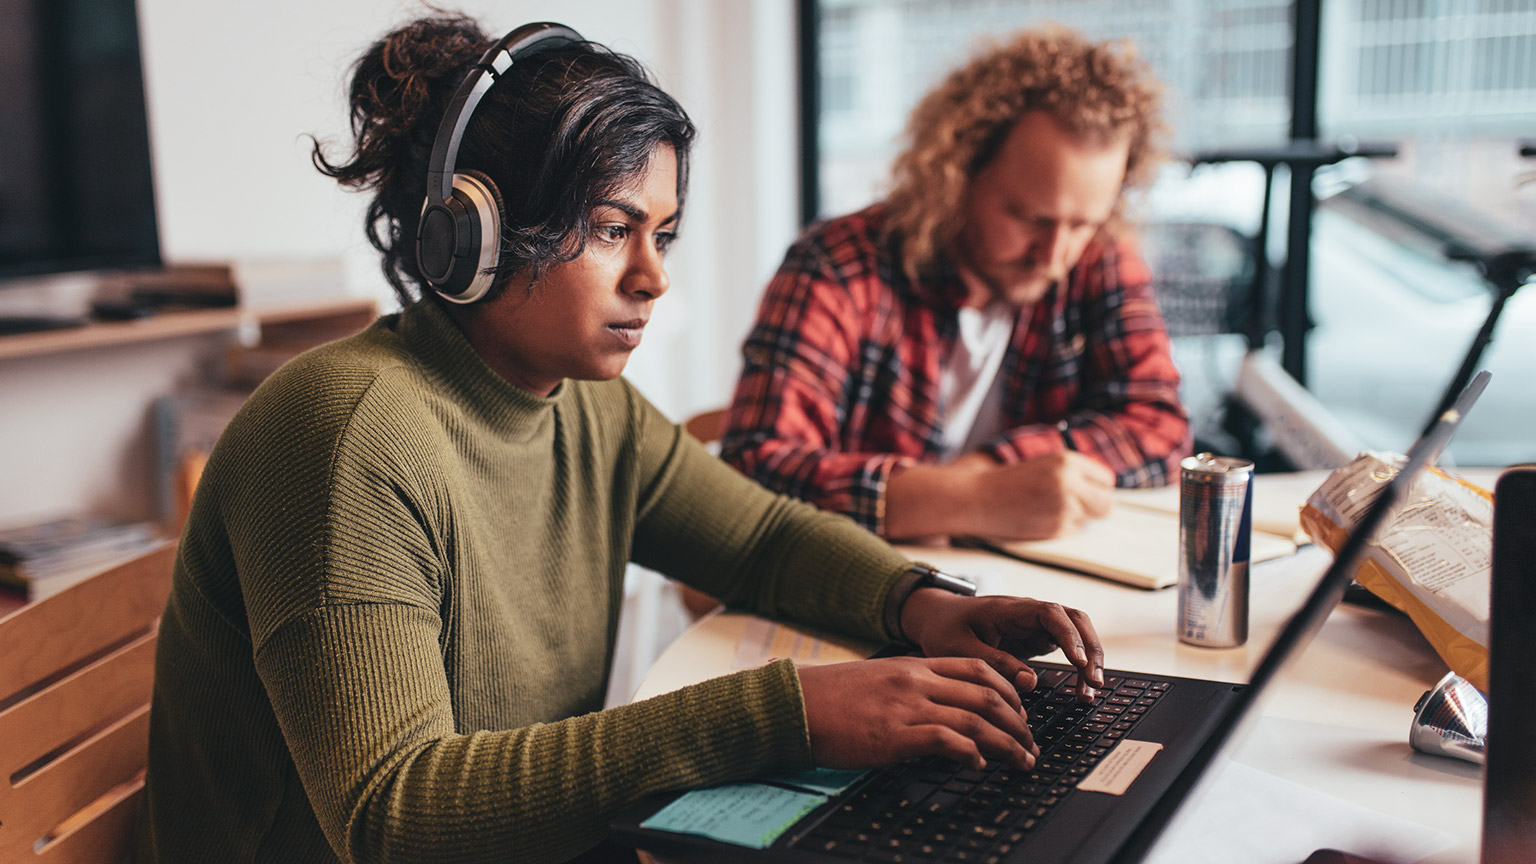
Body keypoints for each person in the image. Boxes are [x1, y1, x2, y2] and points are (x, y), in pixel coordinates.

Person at [137, 15, 1106, 864]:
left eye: (664, 236)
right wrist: (787, 714)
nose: (653, 278)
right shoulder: (348, 440)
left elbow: (762, 539)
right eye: (612, 229)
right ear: (474, 233)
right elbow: (397, 817)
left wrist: (925, 605)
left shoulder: (580, 401)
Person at [720, 26, 1191, 545]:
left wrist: (998, 464)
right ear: (957, 172)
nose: (1055, 255)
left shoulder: (1099, 255)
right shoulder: (839, 266)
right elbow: (753, 474)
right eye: (1028, 217)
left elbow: (1161, 426)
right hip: (866, 592)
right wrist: (974, 498)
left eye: (1081, 224)